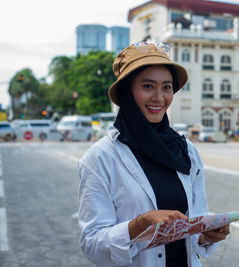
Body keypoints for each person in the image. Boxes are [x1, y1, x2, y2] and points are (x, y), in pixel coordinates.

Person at [78, 42, 230, 267]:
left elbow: (193, 222)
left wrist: (206, 233)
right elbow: (92, 245)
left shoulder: (185, 150)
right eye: (148, 86)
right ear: (127, 92)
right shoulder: (100, 158)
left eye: (167, 87)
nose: (159, 98)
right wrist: (140, 224)